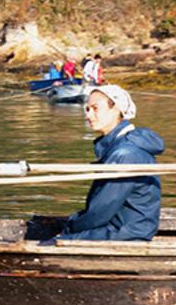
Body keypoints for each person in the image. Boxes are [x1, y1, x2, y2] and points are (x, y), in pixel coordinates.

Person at [54, 84, 164, 241]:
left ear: (117, 109)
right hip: (119, 227)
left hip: (125, 233)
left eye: (95, 108)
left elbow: (102, 210)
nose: (89, 115)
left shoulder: (125, 154)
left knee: (50, 243)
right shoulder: (116, 146)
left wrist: (71, 226)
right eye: (87, 109)